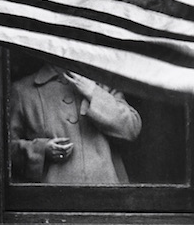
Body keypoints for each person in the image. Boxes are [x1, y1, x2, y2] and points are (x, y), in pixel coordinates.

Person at [9, 63, 141, 183]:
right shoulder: (23, 90)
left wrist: (94, 93)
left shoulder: (102, 84)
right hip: (52, 199)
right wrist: (41, 150)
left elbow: (132, 127)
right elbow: (5, 149)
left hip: (106, 196)